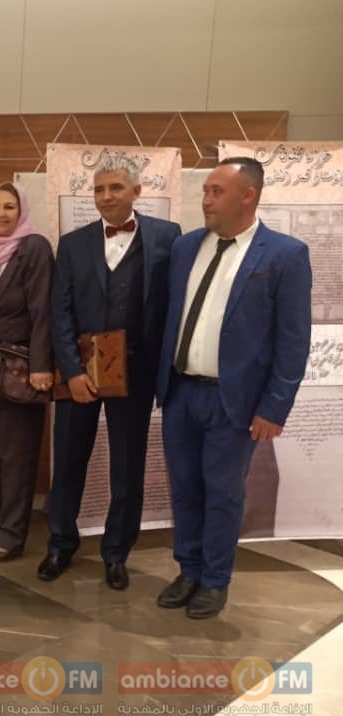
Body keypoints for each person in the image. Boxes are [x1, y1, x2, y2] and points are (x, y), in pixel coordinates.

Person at [156, 156, 311, 619]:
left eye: (216, 192)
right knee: (184, 487)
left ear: (248, 195)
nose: (206, 200)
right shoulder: (186, 247)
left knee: (223, 493)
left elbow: (293, 340)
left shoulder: (284, 255)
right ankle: (188, 569)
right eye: (205, 191)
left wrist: (275, 408)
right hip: (181, 392)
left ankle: (215, 580)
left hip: (235, 402)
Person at [41, 155, 181, 590]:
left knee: (127, 468)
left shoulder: (167, 237)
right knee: (68, 462)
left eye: (115, 188)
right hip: (81, 369)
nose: (105, 197)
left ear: (136, 191)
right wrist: (71, 370)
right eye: (99, 189)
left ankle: (117, 552)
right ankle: (60, 544)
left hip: (136, 371)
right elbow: (60, 312)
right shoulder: (72, 243)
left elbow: (172, 307)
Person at [0, 182, 54, 561]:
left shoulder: (33, 248)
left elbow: (42, 310)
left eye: (9, 207)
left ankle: (12, 532)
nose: (1, 214)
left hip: (18, 370)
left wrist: (42, 366)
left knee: (16, 457)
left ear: (21, 212)